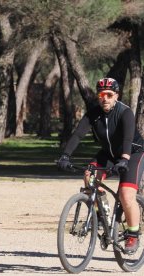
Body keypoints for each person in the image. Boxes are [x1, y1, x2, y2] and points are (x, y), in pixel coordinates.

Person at [57, 77, 144, 254]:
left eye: (109, 95)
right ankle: (99, 213)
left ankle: (133, 234)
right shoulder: (93, 114)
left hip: (133, 153)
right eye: (101, 95)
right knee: (89, 177)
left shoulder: (124, 112)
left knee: (126, 194)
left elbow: (127, 138)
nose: (104, 98)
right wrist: (65, 156)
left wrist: (125, 159)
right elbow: (77, 135)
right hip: (109, 154)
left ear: (116, 96)